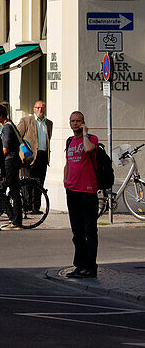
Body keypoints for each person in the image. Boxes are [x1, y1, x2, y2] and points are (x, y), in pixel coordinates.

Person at [64, 111, 99, 278]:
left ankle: (91, 267)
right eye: (73, 121)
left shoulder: (91, 139)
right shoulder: (69, 141)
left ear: (83, 123)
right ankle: (79, 265)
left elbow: (89, 149)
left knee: (89, 230)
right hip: (72, 191)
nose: (75, 124)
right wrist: (66, 182)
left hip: (87, 190)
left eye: (78, 121)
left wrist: (85, 134)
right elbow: (67, 163)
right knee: (76, 232)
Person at [0, 103, 23, 229]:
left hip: (10, 162)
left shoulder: (7, 127)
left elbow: (6, 148)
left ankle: (16, 221)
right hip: (10, 161)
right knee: (3, 191)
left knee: (12, 191)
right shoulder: (8, 125)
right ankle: (13, 218)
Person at [18, 100, 52, 213]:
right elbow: (18, 137)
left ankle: (36, 207)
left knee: (39, 182)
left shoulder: (49, 123)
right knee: (27, 182)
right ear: (34, 109)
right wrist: (21, 154)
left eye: (42, 108)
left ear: (45, 109)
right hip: (29, 156)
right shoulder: (26, 120)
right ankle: (27, 207)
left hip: (43, 155)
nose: (40, 110)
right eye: (37, 108)